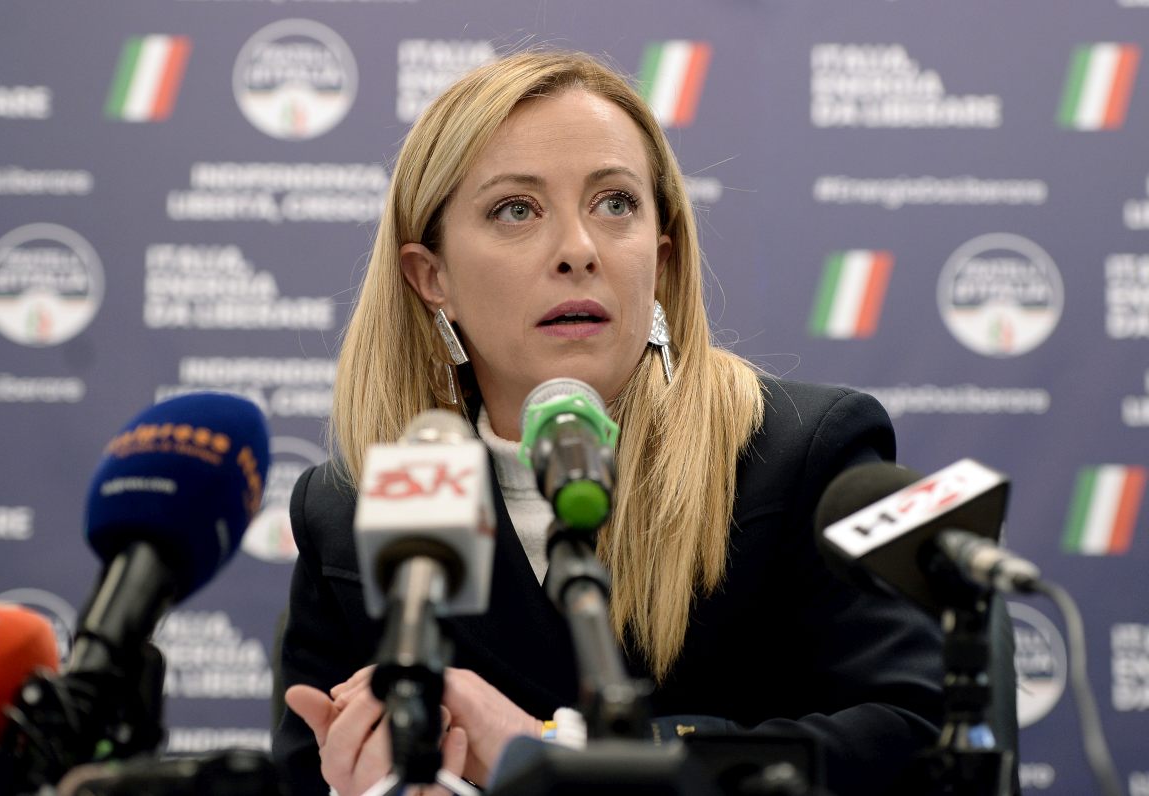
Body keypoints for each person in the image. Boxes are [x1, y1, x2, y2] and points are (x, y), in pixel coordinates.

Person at [273, 49, 944, 795]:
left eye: (615, 204)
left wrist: (548, 755)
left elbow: (920, 742)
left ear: (660, 257)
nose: (578, 251)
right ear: (433, 278)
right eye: (516, 210)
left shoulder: (804, 454)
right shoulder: (351, 513)